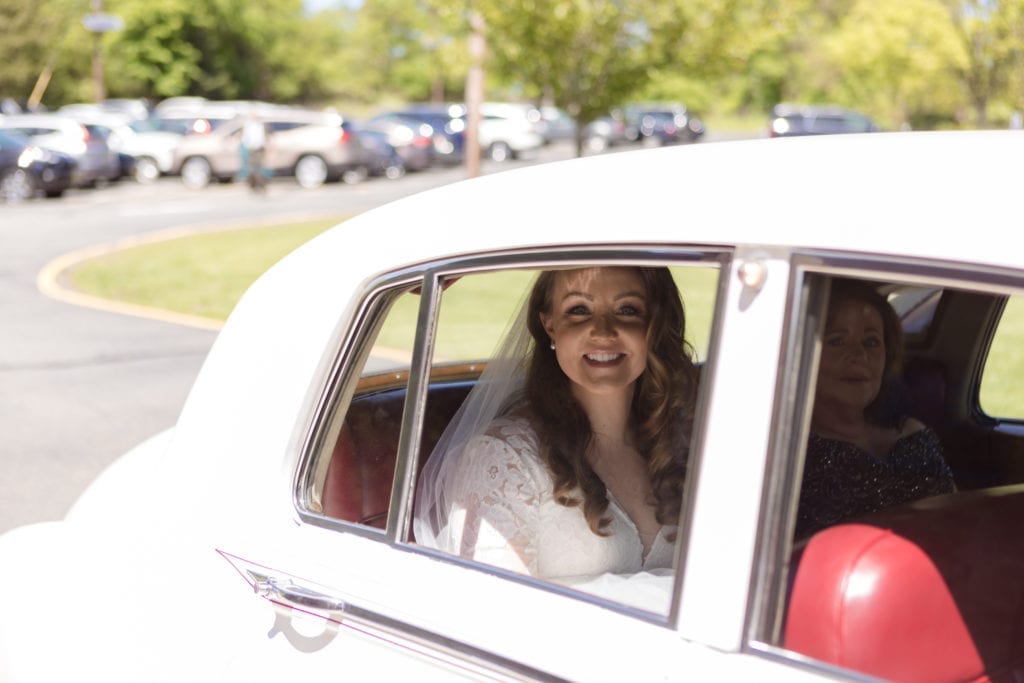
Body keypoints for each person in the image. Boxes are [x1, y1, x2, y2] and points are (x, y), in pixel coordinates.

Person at [414, 266, 700, 582]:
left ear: (653, 326)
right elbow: (492, 611)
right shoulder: (504, 459)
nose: (603, 331)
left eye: (627, 310)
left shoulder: (685, 443)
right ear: (550, 325)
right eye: (579, 310)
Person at [795, 279, 956, 538]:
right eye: (837, 341)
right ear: (802, 356)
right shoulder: (790, 454)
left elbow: (957, 524)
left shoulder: (914, 434)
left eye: (871, 342)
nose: (858, 354)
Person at [240, 115, 268, 192]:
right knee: (252, 168)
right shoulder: (249, 125)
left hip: (259, 149)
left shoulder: (261, 125)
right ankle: (253, 185)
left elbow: (264, 137)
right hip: (251, 149)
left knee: (259, 168)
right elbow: (245, 138)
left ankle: (260, 185)